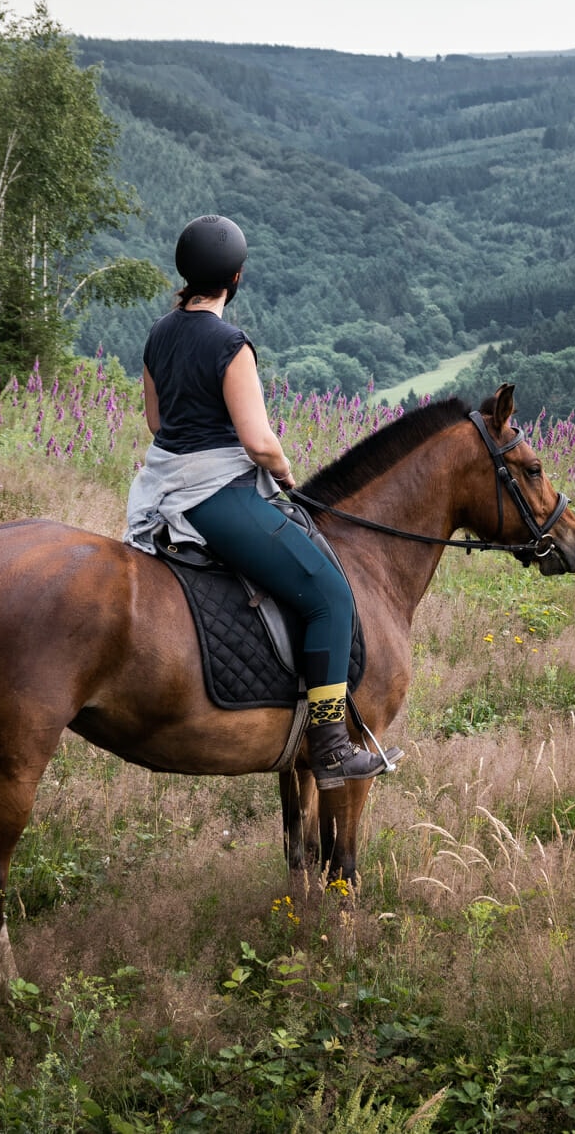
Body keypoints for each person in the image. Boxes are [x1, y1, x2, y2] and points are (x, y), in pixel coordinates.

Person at [124, 215, 390, 788]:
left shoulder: (159, 333)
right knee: (330, 596)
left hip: (163, 486)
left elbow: (156, 421)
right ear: (236, 278)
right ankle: (331, 746)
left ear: (186, 273)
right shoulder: (231, 344)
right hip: (217, 497)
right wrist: (286, 473)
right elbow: (259, 443)